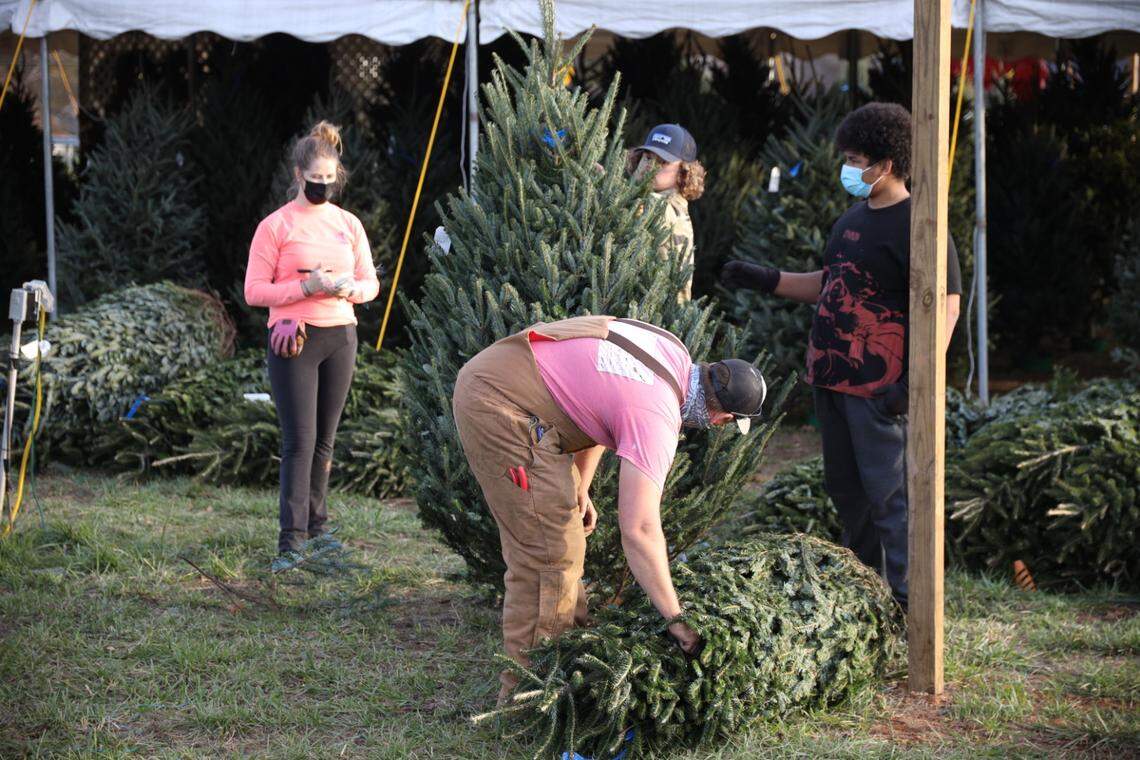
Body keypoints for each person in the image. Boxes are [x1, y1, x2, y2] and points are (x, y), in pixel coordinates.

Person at [720, 102, 962, 611]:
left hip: (882, 390)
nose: (847, 170)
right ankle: (868, 591)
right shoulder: (852, 218)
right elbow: (832, 287)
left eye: (855, 159)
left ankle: (909, 602)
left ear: (886, 164)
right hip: (832, 381)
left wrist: (915, 383)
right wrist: (767, 279)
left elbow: (946, 306)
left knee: (893, 496)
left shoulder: (920, 225)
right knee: (848, 492)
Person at [452, 315, 767, 705]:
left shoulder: (672, 352)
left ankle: (570, 662)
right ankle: (527, 702)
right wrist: (676, 619)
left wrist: (580, 486)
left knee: (564, 541)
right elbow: (639, 529)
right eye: (726, 424)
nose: (719, 428)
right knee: (547, 556)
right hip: (501, 405)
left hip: (506, 376)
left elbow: (599, 399)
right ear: (722, 416)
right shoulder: (658, 417)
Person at [244, 120, 380, 564]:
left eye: (330, 180)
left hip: (340, 335)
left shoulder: (348, 224)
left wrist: (347, 289)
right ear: (299, 176)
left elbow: (371, 284)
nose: (323, 187)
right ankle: (291, 542)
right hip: (294, 340)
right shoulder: (275, 227)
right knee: (299, 441)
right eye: (315, 180)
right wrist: (304, 289)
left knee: (325, 441)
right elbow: (254, 292)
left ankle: (320, 532)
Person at [628, 124, 706, 301]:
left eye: (663, 162)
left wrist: (601, 182)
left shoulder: (669, 208)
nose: (651, 166)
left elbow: (635, 206)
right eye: (647, 157)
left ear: (684, 172)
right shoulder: (647, 197)